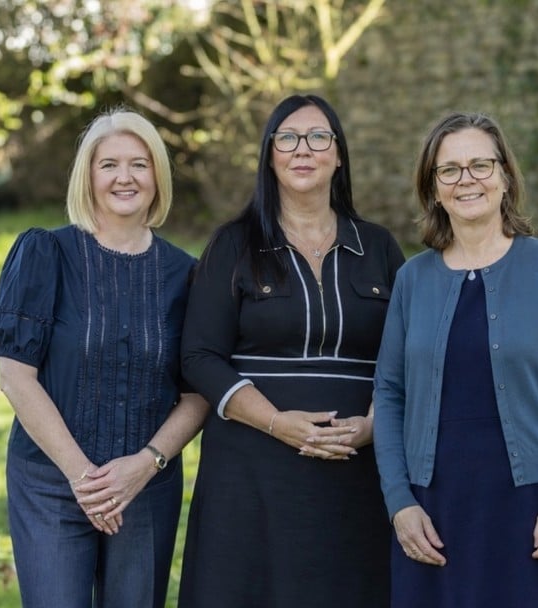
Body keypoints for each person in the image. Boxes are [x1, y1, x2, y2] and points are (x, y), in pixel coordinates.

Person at [177, 94, 405, 608]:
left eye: (319, 137)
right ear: (270, 154)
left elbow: (406, 356)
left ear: (339, 155)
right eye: (288, 138)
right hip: (251, 475)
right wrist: (278, 423)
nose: (304, 149)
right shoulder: (232, 245)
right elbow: (199, 357)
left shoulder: (379, 247)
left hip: (358, 474)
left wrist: (374, 426)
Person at [373, 112, 538, 607]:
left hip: (535, 508)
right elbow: (388, 394)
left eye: (481, 165)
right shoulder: (412, 280)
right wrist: (400, 503)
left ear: (505, 177)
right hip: (434, 512)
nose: (467, 179)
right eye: (449, 170)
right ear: (434, 190)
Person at [0, 108, 209, 608]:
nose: (124, 177)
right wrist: (85, 479)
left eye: (139, 164)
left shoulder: (187, 275)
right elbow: (15, 376)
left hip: (145, 487)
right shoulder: (46, 254)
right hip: (51, 481)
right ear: (87, 176)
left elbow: (198, 393)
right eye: (109, 165)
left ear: (158, 176)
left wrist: (146, 464)